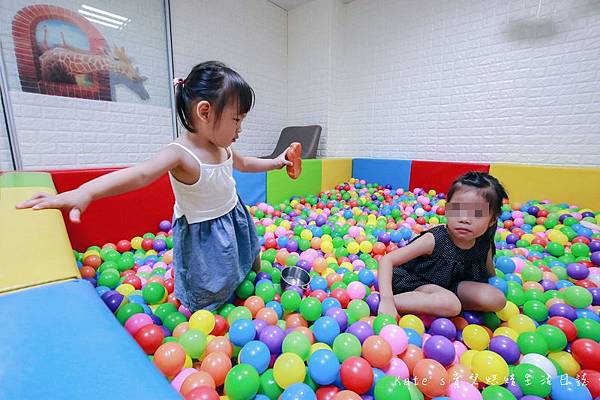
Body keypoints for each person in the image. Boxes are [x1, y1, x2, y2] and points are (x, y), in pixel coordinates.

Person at [16, 61, 302, 312]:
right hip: (204, 232)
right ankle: (215, 307)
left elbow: (245, 164)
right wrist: (86, 191)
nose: (240, 129)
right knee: (213, 283)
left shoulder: (222, 148)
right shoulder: (181, 153)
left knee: (248, 253)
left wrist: (277, 162)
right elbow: (140, 174)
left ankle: (250, 283)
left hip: (233, 216)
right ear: (205, 112)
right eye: (236, 120)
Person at [377, 171, 508, 318]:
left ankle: (437, 304)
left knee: (496, 299)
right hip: (417, 282)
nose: (464, 219)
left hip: (453, 285)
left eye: (476, 213)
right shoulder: (434, 240)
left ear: (492, 220)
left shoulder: (484, 241)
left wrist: (492, 283)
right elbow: (387, 260)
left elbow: (489, 272)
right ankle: (389, 302)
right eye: (457, 209)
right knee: (451, 304)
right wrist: (386, 300)